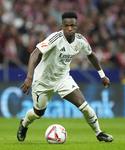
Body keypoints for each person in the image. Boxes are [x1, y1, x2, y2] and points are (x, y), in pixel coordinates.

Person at [17, 11, 114, 142]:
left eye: (72, 25)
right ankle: (24, 124)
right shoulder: (55, 39)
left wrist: (102, 75)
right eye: (66, 25)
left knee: (84, 106)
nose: (69, 28)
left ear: (77, 26)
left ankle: (99, 133)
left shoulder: (80, 40)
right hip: (43, 81)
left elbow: (90, 54)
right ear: (62, 26)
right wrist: (29, 77)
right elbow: (34, 54)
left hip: (63, 79)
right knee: (38, 113)